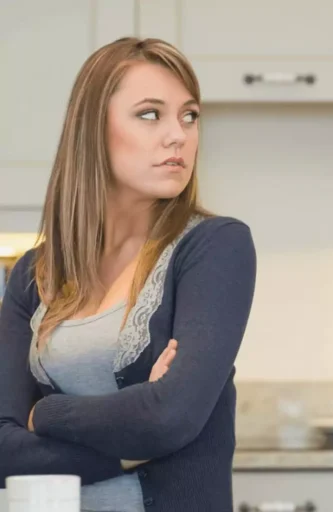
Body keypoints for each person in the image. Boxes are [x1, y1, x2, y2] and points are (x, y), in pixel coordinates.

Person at [0, 37, 257, 512]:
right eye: (149, 114)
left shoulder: (215, 247)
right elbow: (2, 451)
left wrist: (45, 412)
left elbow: (169, 419)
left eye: (189, 115)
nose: (178, 135)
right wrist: (127, 449)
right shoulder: (32, 275)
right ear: (92, 130)